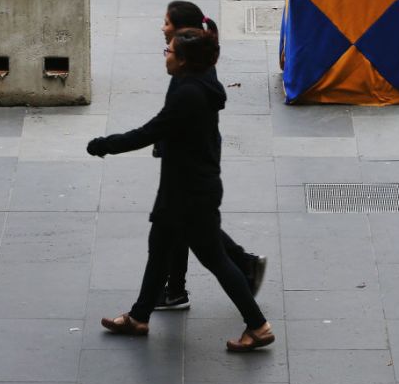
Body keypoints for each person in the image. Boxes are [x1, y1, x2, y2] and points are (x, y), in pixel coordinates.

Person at [87, 26, 274, 351]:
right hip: (185, 189)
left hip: (189, 195)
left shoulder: (188, 94)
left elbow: (149, 131)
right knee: (160, 251)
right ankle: (139, 316)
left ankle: (257, 325)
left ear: (185, 61)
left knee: (215, 259)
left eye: (169, 52)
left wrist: (104, 144)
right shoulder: (199, 80)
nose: (165, 56)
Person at [153, 0, 266, 311]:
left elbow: (175, 115)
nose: (162, 28)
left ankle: (246, 289)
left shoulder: (188, 66)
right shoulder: (193, 58)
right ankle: (175, 289)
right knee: (185, 225)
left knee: (193, 229)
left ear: (180, 31)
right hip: (191, 158)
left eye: (166, 22)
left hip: (192, 164)